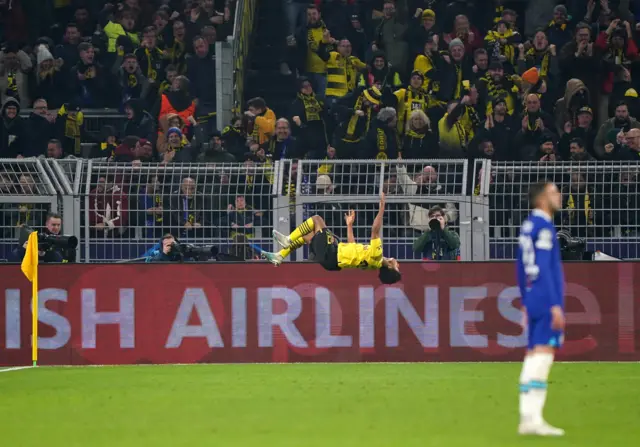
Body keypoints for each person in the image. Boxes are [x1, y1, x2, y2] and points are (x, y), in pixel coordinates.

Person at [516, 181, 566, 437]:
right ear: (541, 199)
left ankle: (527, 416)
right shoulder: (544, 227)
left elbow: (519, 267)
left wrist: (526, 300)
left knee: (533, 355)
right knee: (543, 357)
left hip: (533, 295)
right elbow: (544, 267)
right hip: (546, 297)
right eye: (554, 192)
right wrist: (555, 304)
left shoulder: (527, 226)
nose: (559, 196)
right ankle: (533, 419)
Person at [262, 193, 401, 284]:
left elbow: (375, 231)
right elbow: (352, 246)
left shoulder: (377, 255)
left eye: (396, 267)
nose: (398, 264)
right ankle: (280, 255)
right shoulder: (373, 264)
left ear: (389, 266)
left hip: (332, 255)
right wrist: (349, 225)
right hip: (333, 260)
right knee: (307, 235)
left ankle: (287, 239)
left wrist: (382, 208)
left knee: (317, 220)